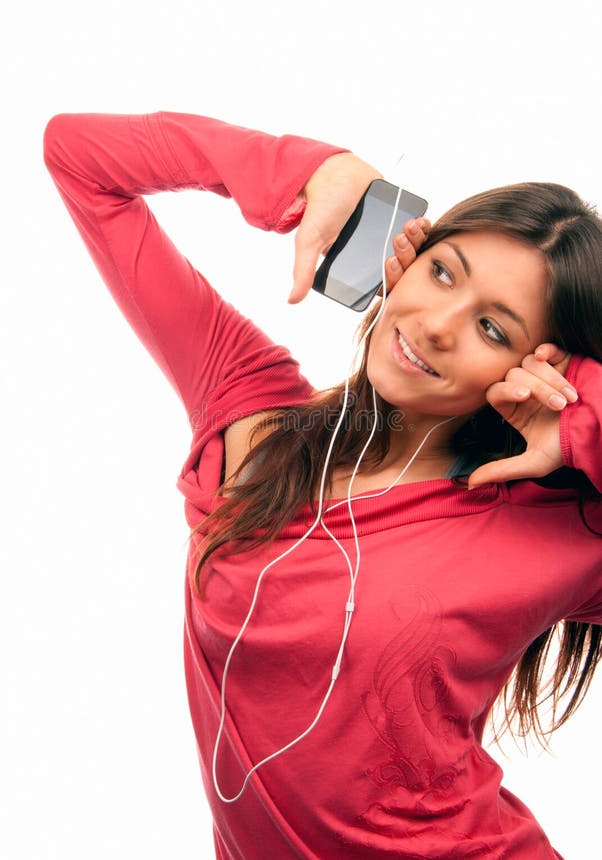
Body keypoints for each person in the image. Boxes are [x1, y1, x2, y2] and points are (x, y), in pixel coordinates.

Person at [43, 110, 602, 860]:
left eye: (493, 329)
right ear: (405, 258)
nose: (437, 325)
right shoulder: (248, 405)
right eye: (442, 272)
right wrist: (305, 173)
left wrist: (582, 415)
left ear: (537, 368)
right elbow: (79, 156)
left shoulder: (553, 526)